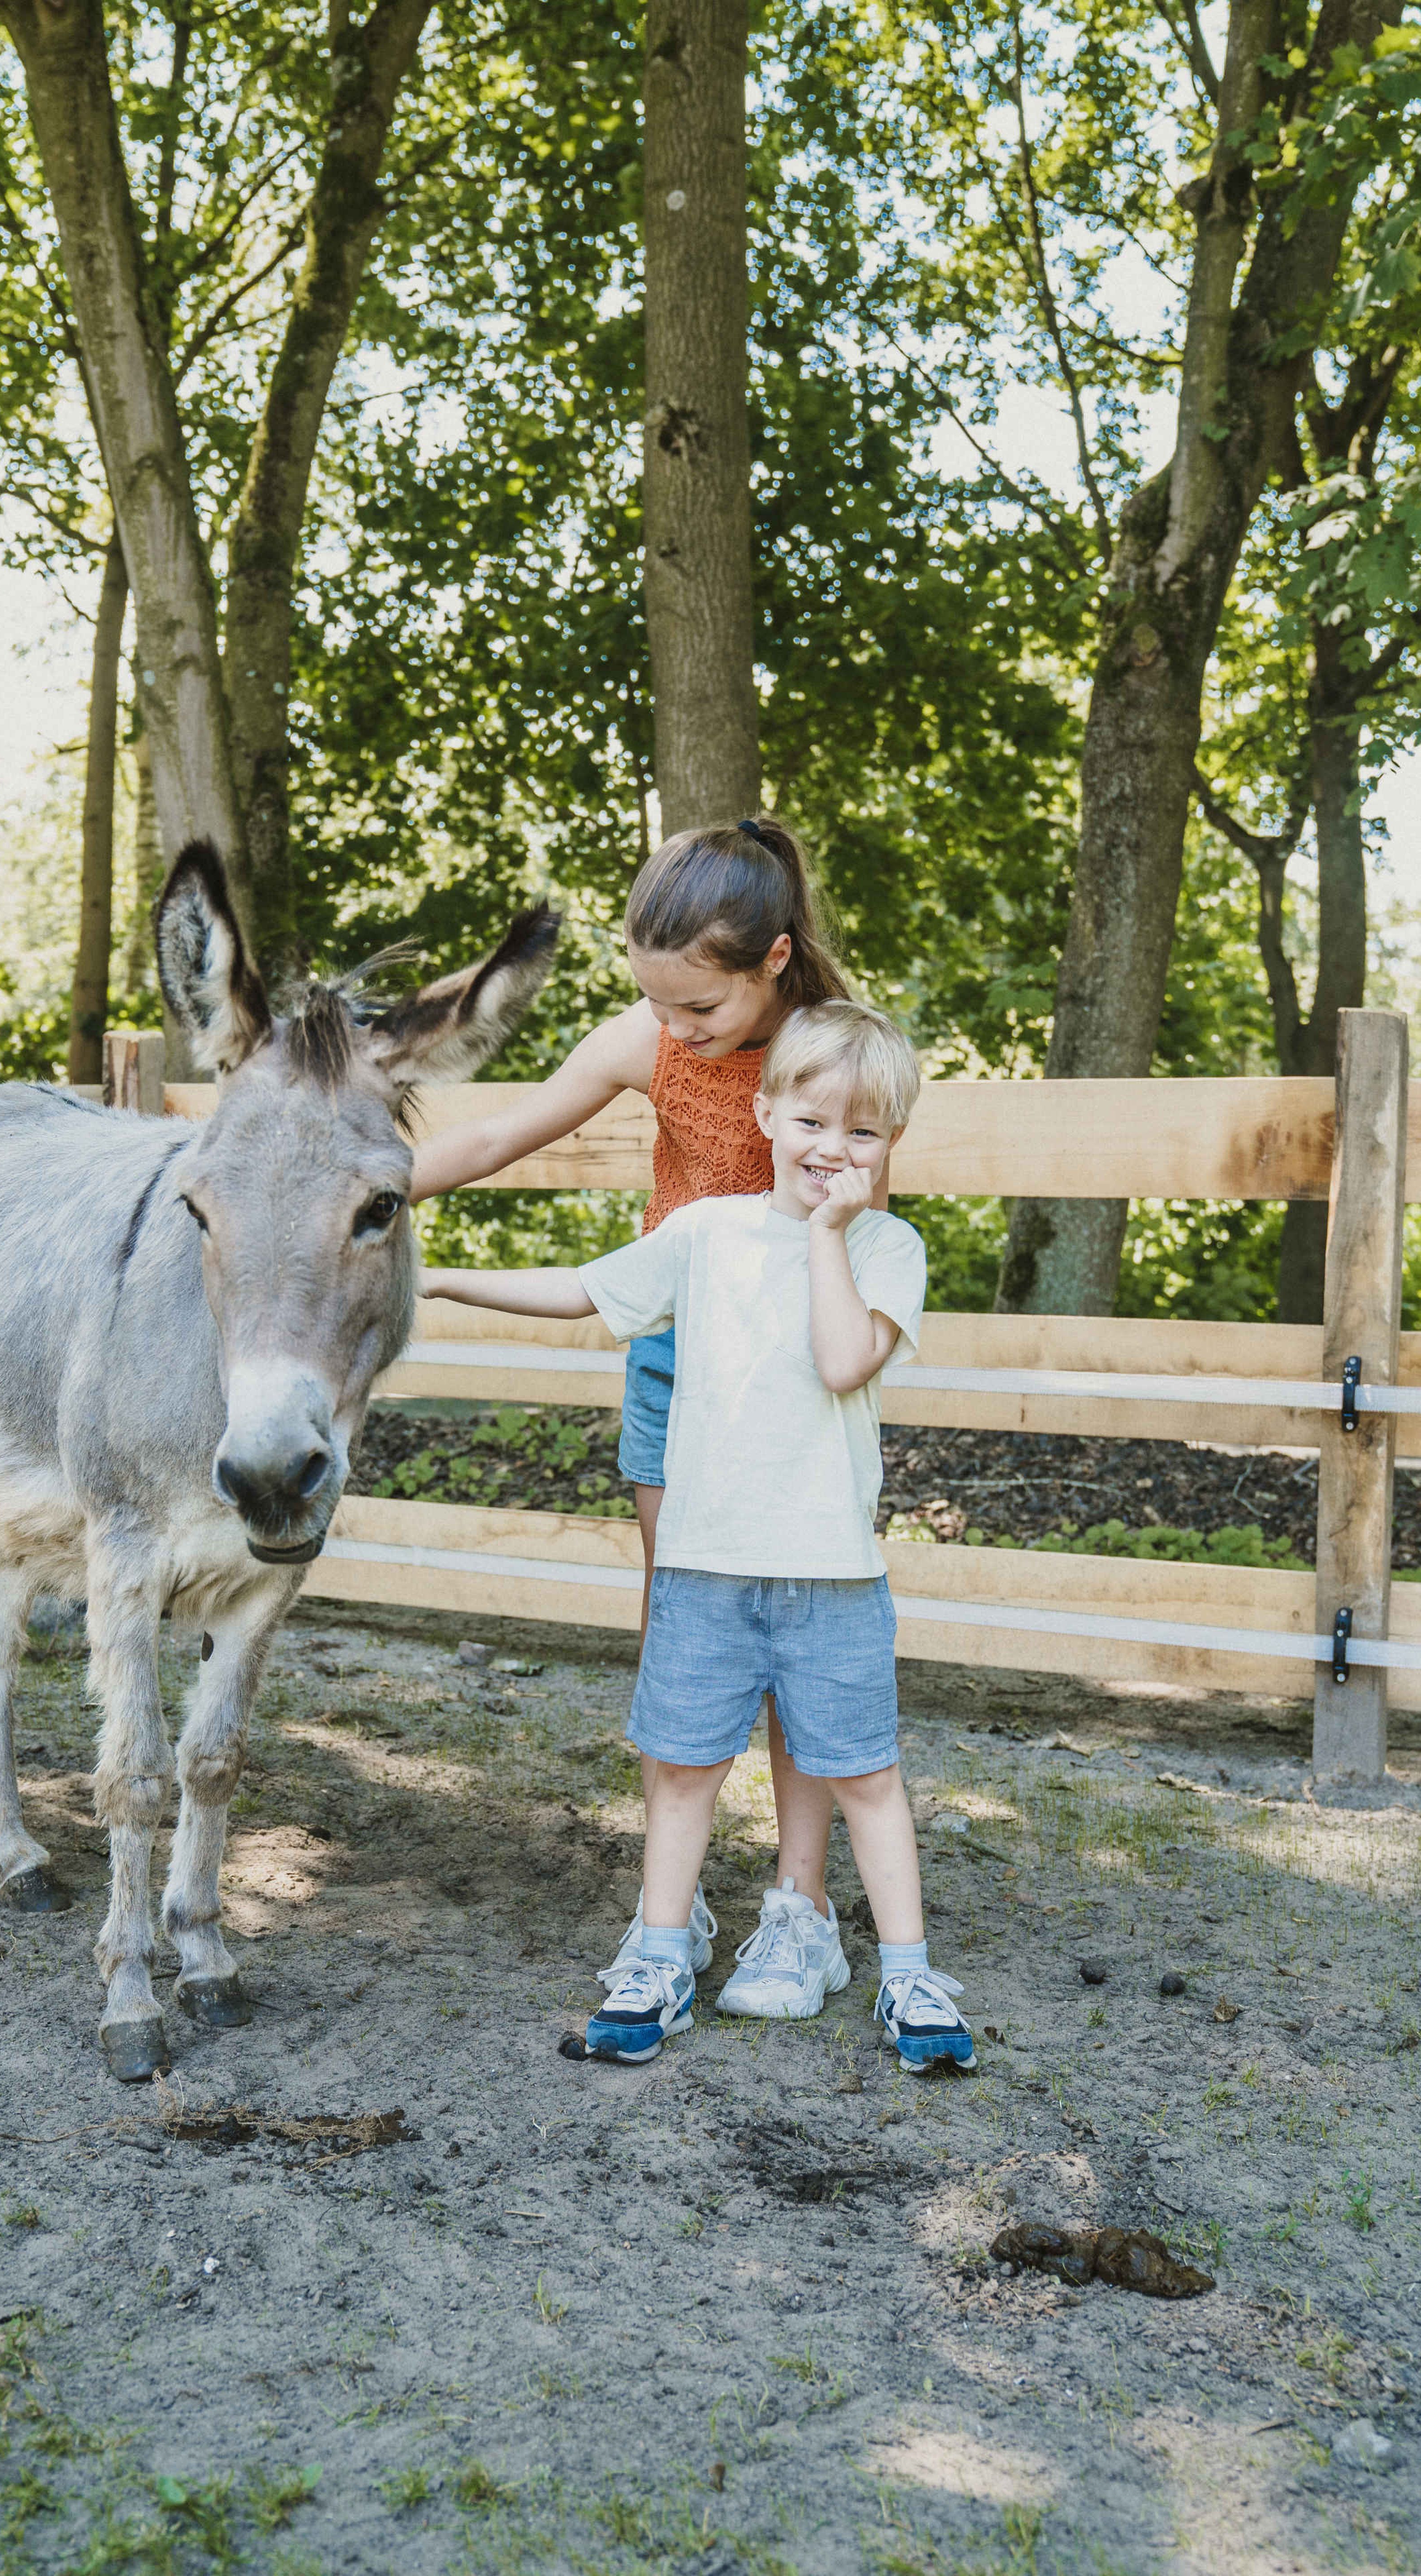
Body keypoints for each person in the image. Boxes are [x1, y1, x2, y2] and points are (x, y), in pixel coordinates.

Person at [421, 998, 976, 2073]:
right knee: (681, 1769)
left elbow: (840, 1360)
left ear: (890, 1146)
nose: (834, 1150)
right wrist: (438, 1279)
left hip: (833, 1579)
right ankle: (659, 1958)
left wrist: (825, 1234)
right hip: (704, 1568)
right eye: (813, 1121)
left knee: (866, 1773)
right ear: (765, 1112)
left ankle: (910, 1977)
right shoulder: (705, 1234)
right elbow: (585, 1293)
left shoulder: (890, 1250)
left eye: (864, 1133)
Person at [410, 814, 881, 2014]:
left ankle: (802, 1904)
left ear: (774, 960)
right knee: (692, 1626)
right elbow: (500, 1131)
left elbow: (853, 1248)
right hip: (676, 1365)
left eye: (701, 1012)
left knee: (794, 1637)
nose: (675, 1031)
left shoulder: (830, 1066)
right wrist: (353, 1180)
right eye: (657, 1005)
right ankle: (674, 1907)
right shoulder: (648, 1036)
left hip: (790, 1382)